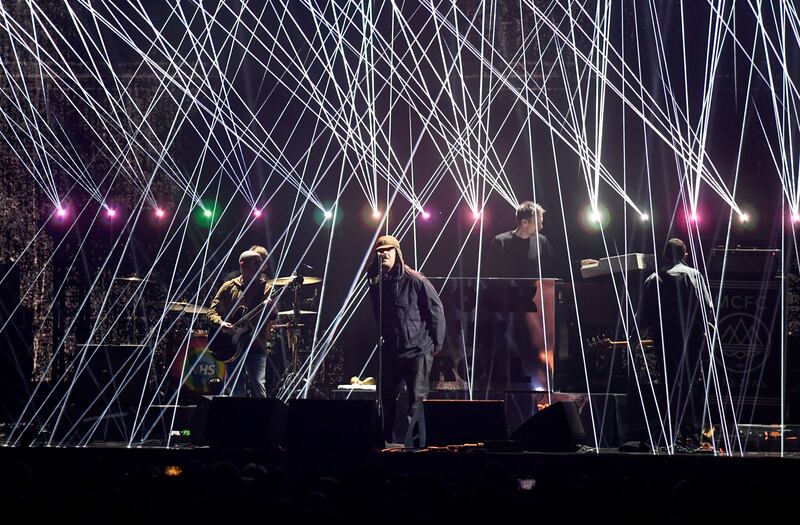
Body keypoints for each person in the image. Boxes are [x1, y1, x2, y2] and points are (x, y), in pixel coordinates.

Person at [637, 238, 714, 448]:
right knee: (690, 383)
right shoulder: (694, 275)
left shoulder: (653, 279)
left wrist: (638, 335)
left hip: (664, 337)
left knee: (668, 382)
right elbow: (707, 307)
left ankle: (670, 431)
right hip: (691, 338)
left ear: (664, 255)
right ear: (685, 254)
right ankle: (691, 432)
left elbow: (642, 315)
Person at [368, 235, 445, 446]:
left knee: (416, 402)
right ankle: (384, 444)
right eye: (380, 251)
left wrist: (435, 344)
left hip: (417, 349)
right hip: (392, 350)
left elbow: (436, 310)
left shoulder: (415, 279)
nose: (383, 254)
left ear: (397, 253)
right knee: (385, 399)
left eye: (387, 250)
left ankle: (417, 447)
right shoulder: (377, 281)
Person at [208, 249, 276, 397]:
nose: (260, 265)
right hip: (232, 345)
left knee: (258, 385)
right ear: (242, 265)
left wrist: (270, 307)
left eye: (261, 262)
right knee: (235, 387)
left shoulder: (266, 288)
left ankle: (263, 419)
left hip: (256, 344)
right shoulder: (228, 287)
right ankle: (238, 418)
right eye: (256, 262)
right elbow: (211, 312)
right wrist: (221, 324)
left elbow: (272, 316)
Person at [486, 201, 557, 278]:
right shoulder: (500, 242)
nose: (541, 227)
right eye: (538, 224)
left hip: (534, 290)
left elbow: (554, 268)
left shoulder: (542, 241)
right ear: (524, 222)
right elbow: (491, 275)